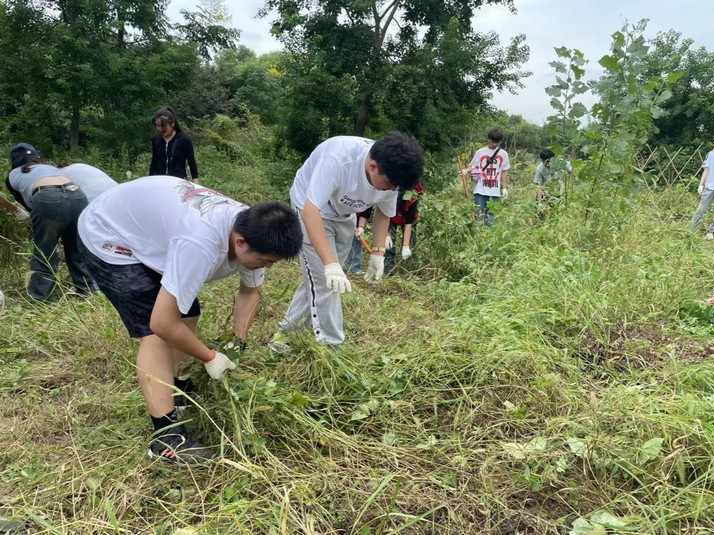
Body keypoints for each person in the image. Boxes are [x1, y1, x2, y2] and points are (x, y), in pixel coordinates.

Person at [78, 176, 302, 465]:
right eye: (266, 261)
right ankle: (167, 439)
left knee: (188, 313)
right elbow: (162, 324)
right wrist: (210, 357)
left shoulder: (253, 229)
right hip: (109, 235)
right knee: (155, 334)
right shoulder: (201, 242)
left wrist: (236, 342)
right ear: (240, 243)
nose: (267, 267)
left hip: (149, 229)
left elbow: (250, 292)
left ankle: (178, 388)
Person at [270, 132, 424, 352]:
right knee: (326, 280)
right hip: (310, 208)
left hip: (344, 214)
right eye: (389, 185)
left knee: (324, 279)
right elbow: (310, 211)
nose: (391, 190)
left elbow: (384, 212)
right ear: (372, 166)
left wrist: (378, 253)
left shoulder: (392, 175)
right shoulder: (339, 159)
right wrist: (330, 264)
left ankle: (285, 333)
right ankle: (332, 346)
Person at [7, 143, 95, 301]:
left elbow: (29, 206)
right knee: (77, 247)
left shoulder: (13, 175)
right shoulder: (49, 168)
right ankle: (88, 291)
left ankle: (42, 297)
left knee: (45, 250)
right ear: (36, 156)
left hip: (48, 197)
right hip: (78, 196)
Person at [464, 129, 510, 226]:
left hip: (495, 191)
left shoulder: (503, 154)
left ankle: (487, 234)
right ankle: (478, 234)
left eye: (497, 142)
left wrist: (504, 188)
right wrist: (466, 170)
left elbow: (504, 171)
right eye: (493, 142)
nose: (495, 144)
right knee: (478, 216)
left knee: (490, 219)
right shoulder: (480, 152)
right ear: (488, 139)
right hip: (480, 190)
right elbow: (472, 166)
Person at [149, 107, 199, 183]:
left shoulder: (184, 139)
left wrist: (195, 181)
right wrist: (150, 179)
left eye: (163, 126)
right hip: (159, 180)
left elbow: (191, 162)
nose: (160, 129)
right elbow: (154, 161)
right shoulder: (155, 140)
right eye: (157, 126)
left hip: (178, 181)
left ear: (172, 123)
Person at [384, 183, 422, 274]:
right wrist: (386, 234)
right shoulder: (388, 194)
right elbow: (383, 216)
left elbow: (409, 224)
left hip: (407, 217)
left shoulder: (412, 199)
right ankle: (387, 269)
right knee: (388, 244)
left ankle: (409, 271)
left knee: (410, 243)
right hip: (390, 217)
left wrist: (406, 246)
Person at [692, 139, 714, 240]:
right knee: (701, 208)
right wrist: (701, 184)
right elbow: (706, 170)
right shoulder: (711, 154)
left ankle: (712, 231)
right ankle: (693, 230)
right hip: (710, 186)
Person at [345, 207, 373, 274]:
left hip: (356, 215)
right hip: (337, 215)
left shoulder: (369, 201)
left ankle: (354, 268)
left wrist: (361, 227)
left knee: (356, 239)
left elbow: (365, 212)